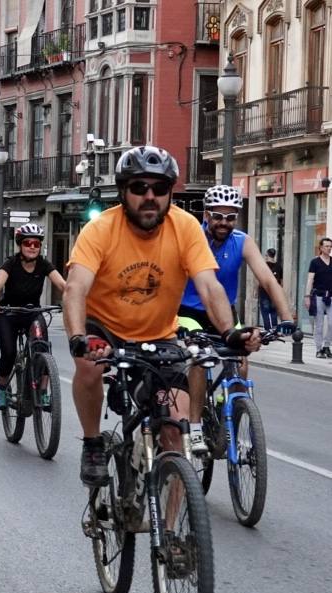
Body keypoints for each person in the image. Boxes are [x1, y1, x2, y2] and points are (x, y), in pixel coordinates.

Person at [62, 145, 259, 487]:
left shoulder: (185, 227)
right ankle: (93, 441)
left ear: (170, 192)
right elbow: (75, 289)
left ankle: (176, 537)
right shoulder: (99, 230)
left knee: (177, 431)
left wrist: (229, 333)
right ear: (123, 192)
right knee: (88, 365)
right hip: (105, 328)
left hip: (159, 333)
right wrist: (79, 337)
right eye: (139, 188)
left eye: (160, 188)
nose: (149, 196)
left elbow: (209, 286)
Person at [177, 185, 295, 453]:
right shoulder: (192, 238)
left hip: (225, 314)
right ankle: (195, 426)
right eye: (218, 216)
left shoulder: (242, 241)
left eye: (231, 218)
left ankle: (225, 403)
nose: (224, 223)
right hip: (189, 311)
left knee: (240, 362)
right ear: (206, 214)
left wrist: (287, 318)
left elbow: (267, 279)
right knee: (201, 356)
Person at [0, 225, 66, 409]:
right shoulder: (10, 264)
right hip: (8, 313)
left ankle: (43, 392)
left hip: (31, 313)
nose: (32, 246)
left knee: (43, 348)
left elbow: (63, 285)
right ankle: (2, 388)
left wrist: (76, 300)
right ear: (20, 245)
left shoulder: (44, 265)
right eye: (28, 243)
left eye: (36, 243)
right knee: (9, 354)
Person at [304, 237, 332, 358]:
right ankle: (319, 349)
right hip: (318, 296)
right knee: (319, 324)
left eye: (330, 246)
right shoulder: (314, 262)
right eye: (326, 246)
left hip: (330, 296)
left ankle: (327, 346)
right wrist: (307, 296)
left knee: (331, 323)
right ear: (321, 248)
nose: (329, 248)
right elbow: (310, 280)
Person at [258, 248, 283, 330]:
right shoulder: (279, 266)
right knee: (273, 310)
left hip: (264, 291)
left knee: (265, 311)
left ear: (267, 255)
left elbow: (260, 278)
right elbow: (281, 281)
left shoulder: (263, 265)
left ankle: (268, 328)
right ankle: (274, 328)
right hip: (275, 291)